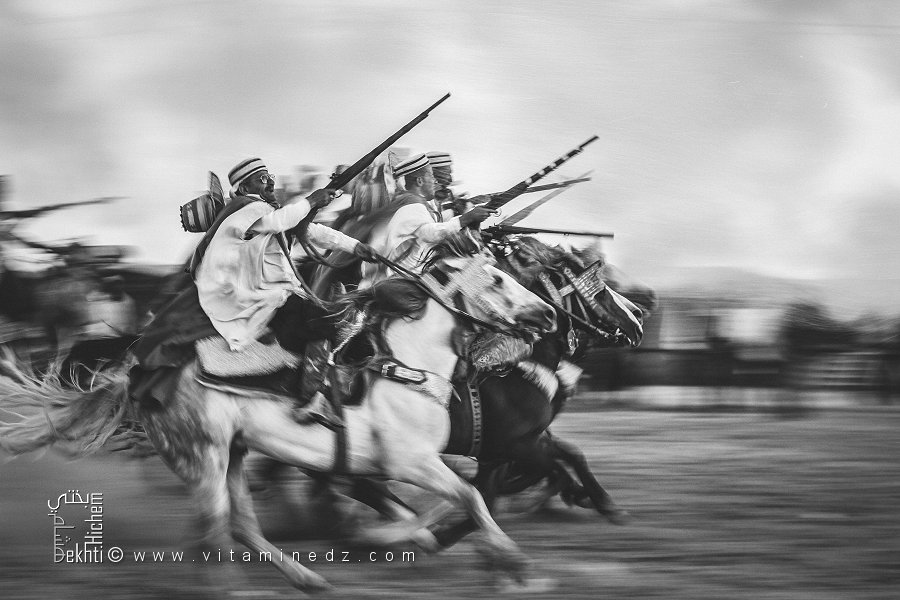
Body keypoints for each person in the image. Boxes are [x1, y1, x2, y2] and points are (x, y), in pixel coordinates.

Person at [191, 158, 376, 424]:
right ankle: (311, 398)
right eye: (263, 178)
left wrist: (356, 247)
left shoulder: (264, 210)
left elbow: (311, 230)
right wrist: (312, 200)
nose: (271, 181)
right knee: (324, 321)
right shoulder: (245, 209)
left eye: (270, 176)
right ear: (244, 187)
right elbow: (278, 222)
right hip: (260, 299)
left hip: (277, 294)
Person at [359, 153, 494, 287]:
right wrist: (466, 218)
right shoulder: (412, 203)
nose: (436, 181)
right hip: (399, 278)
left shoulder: (421, 203)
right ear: (419, 181)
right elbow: (430, 234)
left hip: (409, 274)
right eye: (432, 177)